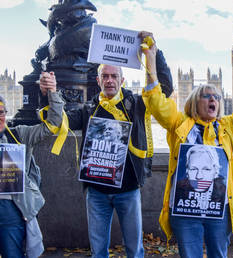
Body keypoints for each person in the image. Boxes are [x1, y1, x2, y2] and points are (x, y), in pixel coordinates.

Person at [141, 36, 233, 257]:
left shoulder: (229, 126)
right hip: (186, 208)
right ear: (194, 101)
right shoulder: (179, 124)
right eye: (207, 96)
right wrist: (151, 58)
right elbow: (155, 101)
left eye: (217, 96)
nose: (214, 99)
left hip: (219, 209)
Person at [40, 31, 173, 258]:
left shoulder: (138, 104)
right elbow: (58, 120)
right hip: (97, 192)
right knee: (98, 250)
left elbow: (165, 90)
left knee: (135, 249)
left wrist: (155, 54)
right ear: (98, 80)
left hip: (128, 190)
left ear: (122, 80)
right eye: (106, 76)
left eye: (114, 76)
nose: (110, 80)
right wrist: (48, 94)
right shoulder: (87, 110)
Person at [0, 72, 64, 258]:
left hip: (11, 213)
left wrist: (52, 92)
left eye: (1, 112)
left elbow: (53, 124)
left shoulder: (19, 135)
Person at [173, 145, 226, 213]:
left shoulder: (223, 193)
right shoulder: (178, 190)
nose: (199, 176)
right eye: (193, 169)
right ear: (187, 171)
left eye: (206, 169)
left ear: (215, 172)